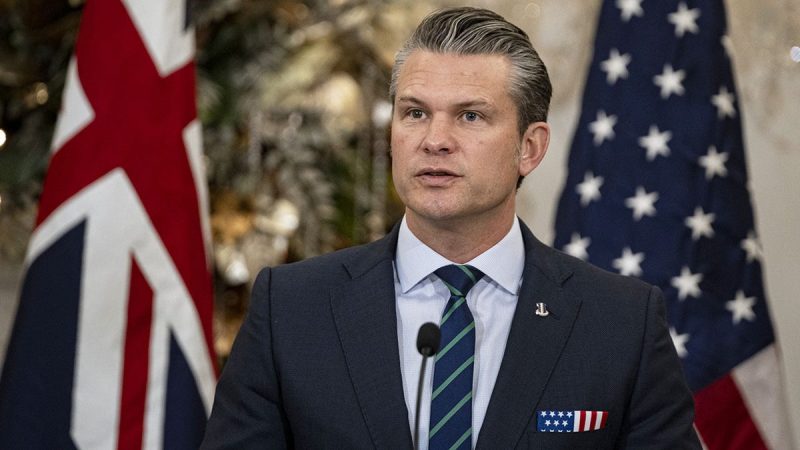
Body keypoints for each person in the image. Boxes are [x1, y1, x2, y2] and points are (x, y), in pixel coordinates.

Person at [201, 7, 700, 449]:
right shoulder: (291, 308)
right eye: (415, 113)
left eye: (470, 116)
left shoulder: (621, 324)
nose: (435, 140)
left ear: (529, 148)